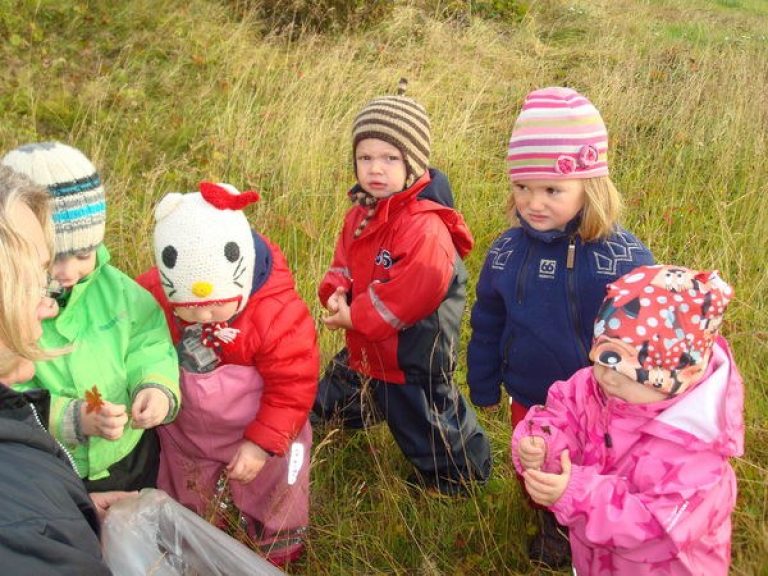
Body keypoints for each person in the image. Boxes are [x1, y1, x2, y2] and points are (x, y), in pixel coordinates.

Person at [466, 86, 655, 565]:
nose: (533, 203)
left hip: (600, 402)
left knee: (591, 466)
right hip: (529, 396)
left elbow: (647, 334)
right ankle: (551, 523)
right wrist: (483, 382)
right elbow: (487, 321)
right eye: (522, 187)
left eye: (552, 190)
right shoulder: (506, 253)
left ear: (590, 186)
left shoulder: (623, 257)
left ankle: (589, 530)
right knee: (535, 464)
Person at [312, 86, 492, 496]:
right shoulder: (363, 211)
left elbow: (411, 295)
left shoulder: (423, 226)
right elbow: (345, 259)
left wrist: (355, 316)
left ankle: (460, 478)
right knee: (334, 394)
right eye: (365, 158)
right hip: (366, 345)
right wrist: (337, 290)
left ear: (413, 162)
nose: (376, 168)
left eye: (390, 158)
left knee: (426, 421)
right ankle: (311, 421)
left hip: (413, 352)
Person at [511, 264, 743, 575]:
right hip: (596, 561)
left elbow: (656, 530)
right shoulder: (595, 388)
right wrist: (543, 443)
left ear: (676, 379)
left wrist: (577, 496)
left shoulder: (697, 451)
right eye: (603, 359)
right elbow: (562, 414)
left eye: (627, 372)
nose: (608, 376)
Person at [136, 181, 318, 567]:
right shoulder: (152, 295)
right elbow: (131, 333)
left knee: (275, 486)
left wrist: (262, 444)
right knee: (187, 486)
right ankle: (196, 539)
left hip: (261, 427)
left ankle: (276, 549)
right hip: (189, 431)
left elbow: (292, 388)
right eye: (189, 309)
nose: (203, 316)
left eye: (216, 308)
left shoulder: (276, 314)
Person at [2, 142, 181, 493]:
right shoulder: (14, 311)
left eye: (84, 254)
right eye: (53, 259)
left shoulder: (119, 291)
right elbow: (9, 391)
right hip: (56, 460)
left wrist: (155, 385)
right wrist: (70, 418)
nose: (69, 272)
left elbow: (148, 341)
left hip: (129, 452)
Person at [0, 164, 120, 573]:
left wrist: (74, 512)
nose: (48, 306)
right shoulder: (19, 529)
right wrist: (49, 520)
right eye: (34, 281)